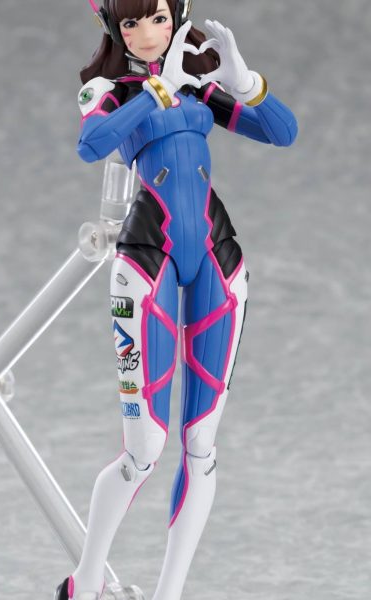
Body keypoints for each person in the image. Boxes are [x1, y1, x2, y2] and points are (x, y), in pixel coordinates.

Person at [57, 1, 297, 598]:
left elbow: (283, 132)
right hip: (147, 257)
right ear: (114, 28)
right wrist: (154, 91)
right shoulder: (110, 89)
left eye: (158, 18)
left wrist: (245, 83)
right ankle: (85, 581)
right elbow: (92, 144)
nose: (146, 32)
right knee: (144, 449)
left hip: (217, 254)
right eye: (131, 22)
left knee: (200, 444)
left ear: (178, 17)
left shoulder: (195, 85)